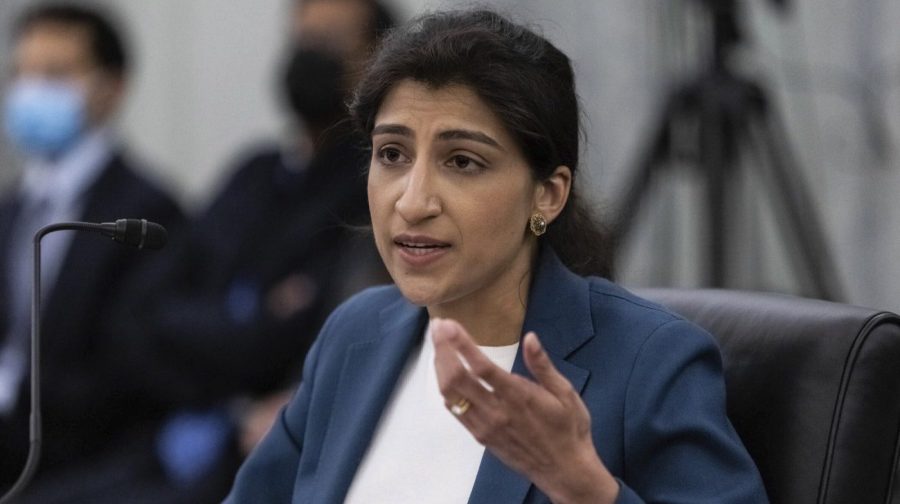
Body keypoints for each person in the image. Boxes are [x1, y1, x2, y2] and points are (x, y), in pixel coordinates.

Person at [225, 8, 768, 504]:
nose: (412, 202)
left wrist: (588, 491)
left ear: (547, 195)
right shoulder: (353, 335)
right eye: (392, 154)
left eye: (462, 162)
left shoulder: (651, 362)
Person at [97, 0, 395, 501]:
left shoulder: (374, 189)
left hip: (262, 448)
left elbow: (316, 333)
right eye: (303, 40)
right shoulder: (252, 175)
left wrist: (220, 336)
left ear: (376, 60)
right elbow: (139, 317)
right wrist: (255, 322)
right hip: (165, 434)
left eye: (330, 42)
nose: (310, 55)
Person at [0, 2, 184, 500]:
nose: (31, 90)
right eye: (23, 73)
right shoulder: (12, 206)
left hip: (91, 466)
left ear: (112, 87)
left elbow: (127, 368)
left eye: (55, 75)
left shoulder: (148, 211)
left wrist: (14, 394)